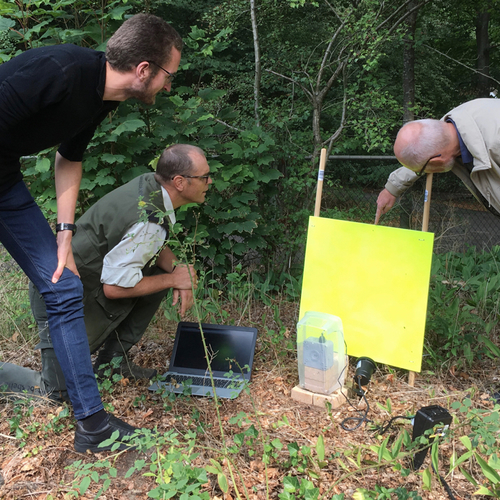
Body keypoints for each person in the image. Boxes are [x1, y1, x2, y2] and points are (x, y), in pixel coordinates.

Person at [0, 13, 182, 453]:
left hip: (4, 181)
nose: (169, 86)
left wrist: (65, 232)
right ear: (143, 70)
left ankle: (93, 426)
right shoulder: (58, 72)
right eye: (169, 75)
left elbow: (69, 157)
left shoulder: (102, 98)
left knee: (62, 285)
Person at [1, 144, 211, 405]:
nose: (209, 182)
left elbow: (147, 243)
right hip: (55, 295)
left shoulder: (152, 187)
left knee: (158, 269)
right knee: (55, 393)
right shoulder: (148, 218)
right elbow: (114, 288)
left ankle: (113, 364)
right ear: (179, 182)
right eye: (204, 177)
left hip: (83, 285)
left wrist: (179, 270)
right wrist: (174, 279)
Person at [375, 98, 500, 224]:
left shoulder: (496, 139)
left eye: (419, 172)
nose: (419, 173)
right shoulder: (451, 126)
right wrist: (391, 189)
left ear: (436, 161)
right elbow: (423, 152)